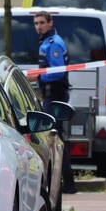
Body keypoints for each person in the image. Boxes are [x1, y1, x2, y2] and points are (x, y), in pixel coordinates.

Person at [34, 11, 75, 194]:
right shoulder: (45, 42)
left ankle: (68, 182)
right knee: (54, 137)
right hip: (50, 94)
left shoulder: (54, 43)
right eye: (36, 23)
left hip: (56, 94)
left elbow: (57, 72)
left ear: (51, 23)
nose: (39, 26)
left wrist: (38, 76)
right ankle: (65, 181)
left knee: (55, 136)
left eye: (42, 22)